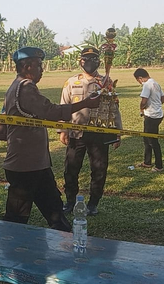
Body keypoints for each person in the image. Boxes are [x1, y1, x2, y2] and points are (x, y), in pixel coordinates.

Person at [0, 46, 101, 232]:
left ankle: (66, 244)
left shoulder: (13, 87)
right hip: (25, 167)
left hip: (35, 165)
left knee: (55, 212)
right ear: (27, 66)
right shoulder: (25, 88)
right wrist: (86, 103)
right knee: (17, 219)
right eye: (39, 65)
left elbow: (1, 122)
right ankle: (12, 253)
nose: (42, 69)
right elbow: (50, 111)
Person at [59, 47, 122, 216]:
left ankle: (93, 203)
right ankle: (70, 201)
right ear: (80, 61)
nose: (89, 62)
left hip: (99, 133)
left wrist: (118, 131)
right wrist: (63, 129)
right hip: (76, 132)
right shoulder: (72, 82)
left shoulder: (105, 82)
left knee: (99, 169)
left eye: (93, 59)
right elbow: (64, 105)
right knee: (71, 169)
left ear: (99, 61)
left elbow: (113, 107)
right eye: (86, 59)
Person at [134, 68, 164, 172]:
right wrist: (156, 105)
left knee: (153, 141)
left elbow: (144, 101)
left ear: (140, 78)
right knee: (146, 139)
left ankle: (159, 166)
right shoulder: (155, 83)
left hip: (151, 116)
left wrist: (141, 109)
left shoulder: (147, 84)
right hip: (158, 115)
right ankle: (147, 162)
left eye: (138, 80)